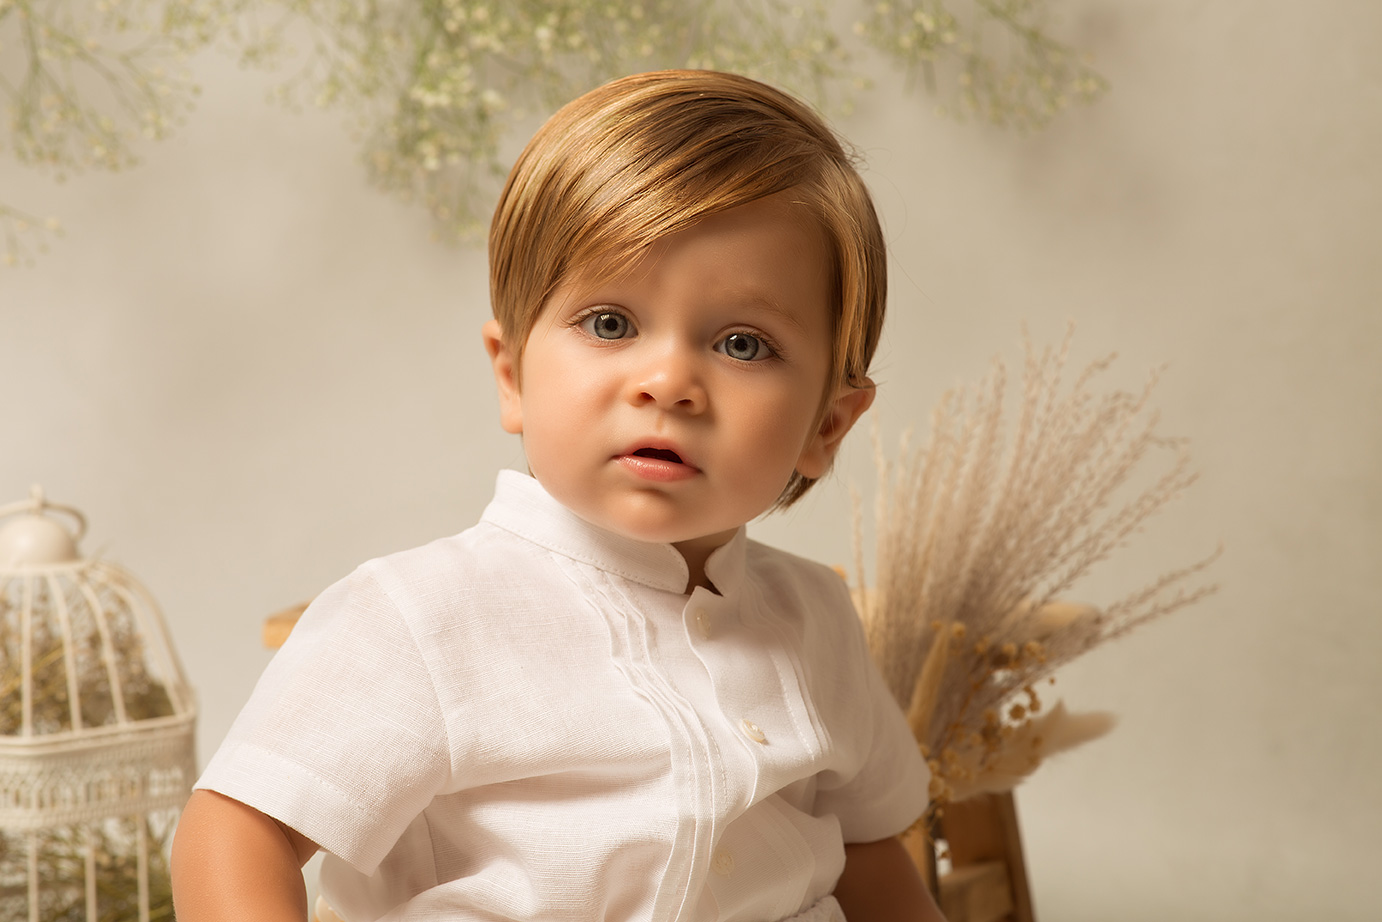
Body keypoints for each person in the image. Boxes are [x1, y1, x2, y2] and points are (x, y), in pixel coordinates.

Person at [171, 70, 946, 922]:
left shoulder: (815, 617)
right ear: (513, 377)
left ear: (826, 427)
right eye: (610, 323)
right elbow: (241, 827)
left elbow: (869, 846)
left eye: (741, 342)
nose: (668, 381)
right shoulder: (422, 618)